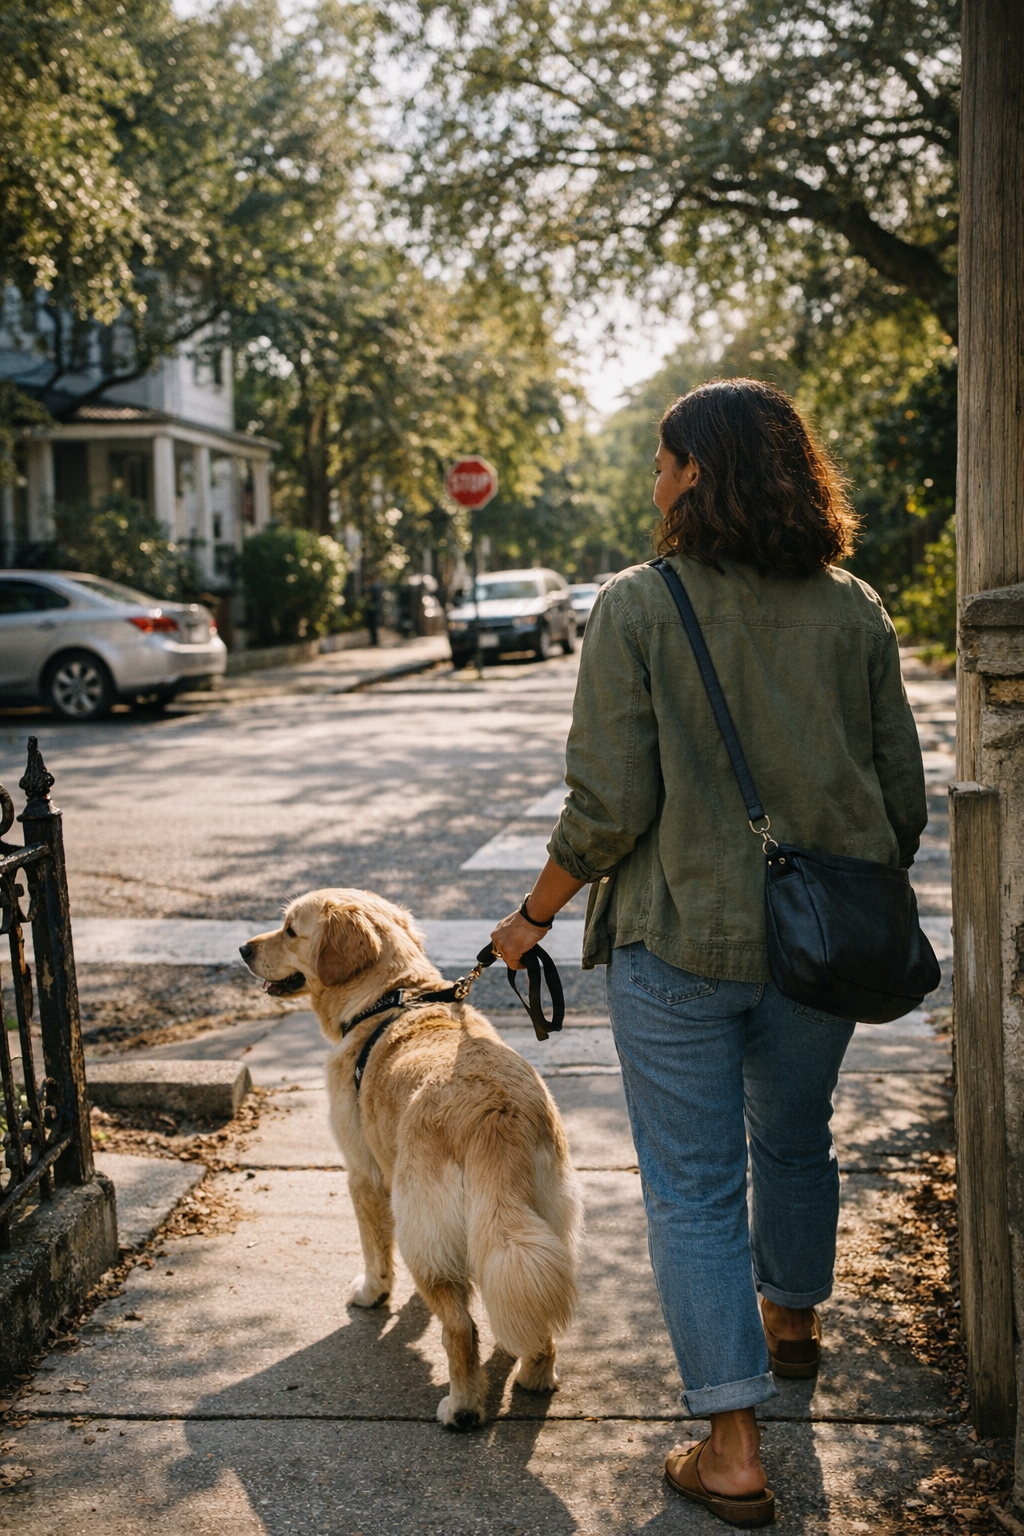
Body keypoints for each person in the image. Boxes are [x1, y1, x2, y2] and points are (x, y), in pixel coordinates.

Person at [491, 378, 927, 1527]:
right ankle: (792, 1322)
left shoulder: (638, 606)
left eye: (660, 461)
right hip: (820, 947)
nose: (652, 481)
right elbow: (901, 800)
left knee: (691, 1192)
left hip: (678, 937)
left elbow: (608, 805)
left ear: (698, 473)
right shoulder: (855, 612)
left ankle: (732, 1450)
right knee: (794, 1139)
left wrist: (531, 917)